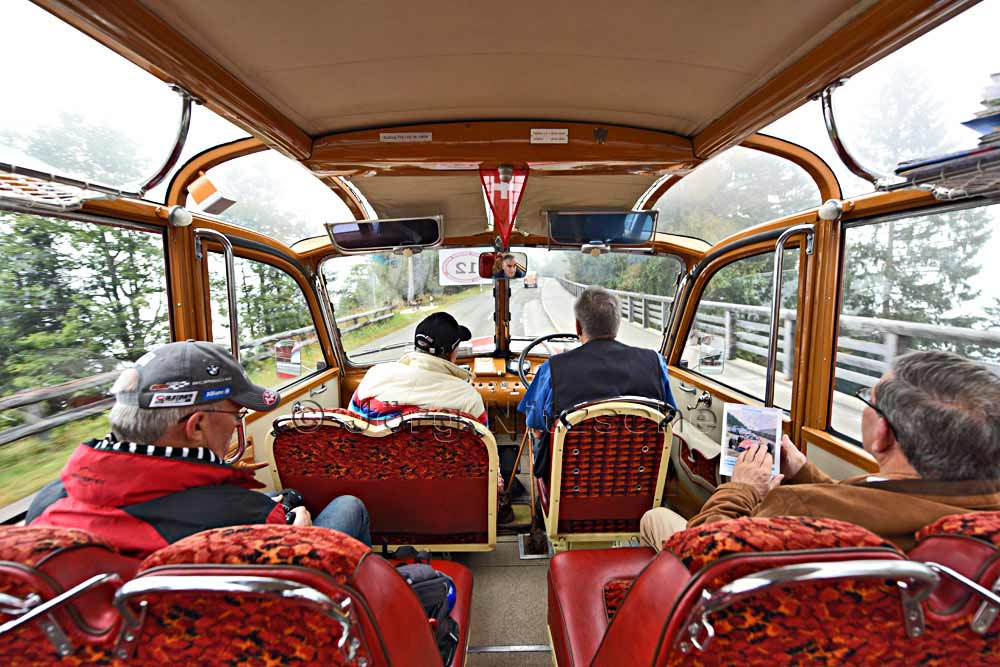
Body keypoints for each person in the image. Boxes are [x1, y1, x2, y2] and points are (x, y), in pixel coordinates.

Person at [26, 341, 371, 556]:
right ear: (196, 428)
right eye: (236, 415)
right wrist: (300, 532)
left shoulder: (45, 506)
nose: (237, 427)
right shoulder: (248, 518)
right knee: (348, 506)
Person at [640, 350, 1000, 551]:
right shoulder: (982, 521)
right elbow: (872, 505)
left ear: (883, 433)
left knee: (654, 518)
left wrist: (742, 488)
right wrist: (802, 470)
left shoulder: (792, 510)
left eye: (868, 402)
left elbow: (692, 554)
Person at [518, 286, 678, 482]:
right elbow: (668, 416)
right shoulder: (655, 362)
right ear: (617, 325)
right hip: (637, 482)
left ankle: (541, 508)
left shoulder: (553, 369)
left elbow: (535, 425)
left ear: (578, 327)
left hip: (571, 484)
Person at [348, 312, 487, 425]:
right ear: (453, 353)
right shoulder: (469, 398)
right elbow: (483, 448)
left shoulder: (374, 375)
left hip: (377, 458)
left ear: (417, 346)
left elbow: (353, 426)